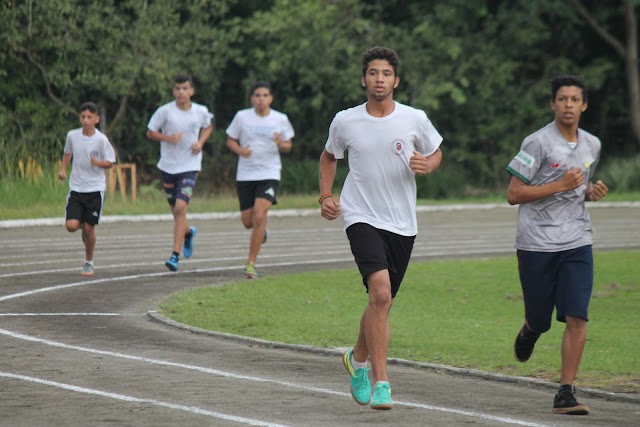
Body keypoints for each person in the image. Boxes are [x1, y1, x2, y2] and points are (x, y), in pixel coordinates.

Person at [319, 46, 443, 410]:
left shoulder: (414, 118)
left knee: (380, 303)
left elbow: (436, 151)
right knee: (382, 295)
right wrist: (325, 195)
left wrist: (429, 165)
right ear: (363, 79)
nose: (379, 79)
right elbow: (329, 156)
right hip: (360, 214)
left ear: (396, 81)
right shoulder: (345, 121)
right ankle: (382, 382)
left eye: (386, 74)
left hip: (403, 222)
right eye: (373, 73)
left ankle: (355, 360)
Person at [506, 75, 608, 415]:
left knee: (577, 315)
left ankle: (566, 391)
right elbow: (513, 193)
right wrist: (561, 185)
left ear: (584, 105)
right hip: (536, 243)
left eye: (574, 99)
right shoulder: (536, 143)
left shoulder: (592, 144)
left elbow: (581, 186)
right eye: (562, 99)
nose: (568, 105)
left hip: (577, 240)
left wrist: (589, 192)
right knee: (541, 317)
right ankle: (532, 328)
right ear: (553, 104)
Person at [225, 81, 294, 279]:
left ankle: (250, 264)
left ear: (270, 98)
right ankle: (260, 231)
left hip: (269, 173)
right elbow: (230, 139)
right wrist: (240, 150)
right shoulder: (242, 117)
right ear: (252, 98)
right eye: (257, 95)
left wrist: (281, 143)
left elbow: (289, 145)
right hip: (246, 173)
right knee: (248, 222)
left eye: (265, 95)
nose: (261, 99)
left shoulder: (280, 119)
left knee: (260, 214)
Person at [147, 73, 213, 272]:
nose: (181, 92)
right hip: (168, 167)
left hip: (190, 166)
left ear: (191, 90)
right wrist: (167, 138)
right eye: (177, 89)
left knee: (180, 208)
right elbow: (150, 132)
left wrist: (200, 143)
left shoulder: (200, 111)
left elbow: (208, 127)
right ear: (173, 91)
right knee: (177, 214)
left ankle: (174, 256)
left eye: (185, 88)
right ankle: (188, 233)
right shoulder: (165, 111)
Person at [58, 102, 116, 277]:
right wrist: (62, 169)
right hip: (76, 187)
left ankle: (88, 263)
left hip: (95, 188)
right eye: (83, 116)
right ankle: (83, 226)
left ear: (96, 119)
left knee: (89, 229)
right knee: (70, 226)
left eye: (89, 117)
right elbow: (68, 153)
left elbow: (110, 162)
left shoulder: (101, 139)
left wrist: (99, 163)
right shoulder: (72, 136)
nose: (85, 120)